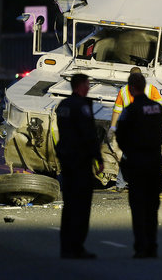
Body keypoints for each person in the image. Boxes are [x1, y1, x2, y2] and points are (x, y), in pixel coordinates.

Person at [115, 72, 162, 258]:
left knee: (138, 207)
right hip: (154, 161)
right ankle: (152, 245)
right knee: (152, 207)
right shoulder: (157, 108)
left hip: (136, 163)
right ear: (144, 87)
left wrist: (130, 151)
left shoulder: (130, 110)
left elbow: (120, 137)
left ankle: (140, 246)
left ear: (130, 89)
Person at [55, 73, 103, 259]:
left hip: (66, 160)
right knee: (82, 206)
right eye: (88, 84)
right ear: (80, 85)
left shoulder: (63, 105)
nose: (89, 87)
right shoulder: (82, 106)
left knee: (69, 206)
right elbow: (88, 133)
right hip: (80, 161)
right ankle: (77, 246)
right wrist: (98, 157)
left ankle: (65, 247)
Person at [109, 66, 162, 191]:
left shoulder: (124, 90)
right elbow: (161, 107)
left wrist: (112, 128)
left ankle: (120, 184)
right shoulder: (151, 89)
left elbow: (116, 111)